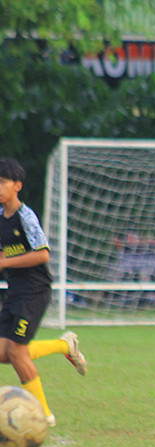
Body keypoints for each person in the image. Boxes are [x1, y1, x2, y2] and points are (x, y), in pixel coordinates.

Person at [0, 157, 88, 427]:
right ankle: (65, 345)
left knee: (16, 352)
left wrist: (4, 262)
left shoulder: (26, 216)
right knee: (5, 353)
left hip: (35, 291)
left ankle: (44, 416)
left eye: (2, 182)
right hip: (15, 291)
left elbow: (42, 255)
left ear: (17, 186)